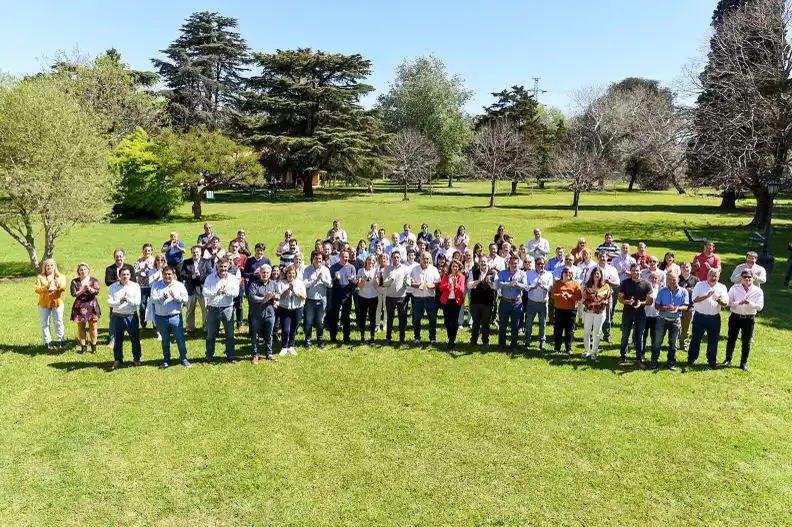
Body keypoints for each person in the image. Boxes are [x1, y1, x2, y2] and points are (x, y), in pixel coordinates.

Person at [150, 266, 191, 368]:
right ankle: (166, 359)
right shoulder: (156, 285)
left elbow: (186, 299)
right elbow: (153, 300)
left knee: (180, 339)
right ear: (162, 274)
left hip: (175, 317)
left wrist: (176, 297)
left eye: (169, 274)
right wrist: (163, 297)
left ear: (173, 275)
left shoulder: (179, 285)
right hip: (161, 317)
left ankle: (183, 358)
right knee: (165, 340)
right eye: (165, 274)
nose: (167, 276)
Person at [723, 271, 764, 371]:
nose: (747, 279)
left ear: (753, 278)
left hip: (749, 319)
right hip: (735, 316)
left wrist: (750, 303)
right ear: (741, 278)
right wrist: (739, 302)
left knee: (746, 341)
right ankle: (727, 360)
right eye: (745, 277)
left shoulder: (758, 291)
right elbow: (728, 302)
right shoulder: (734, 288)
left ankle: (743, 363)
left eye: (749, 277)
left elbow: (760, 307)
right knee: (731, 339)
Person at [688, 268, 728, 368]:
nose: (713, 278)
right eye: (711, 275)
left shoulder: (722, 287)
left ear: (718, 277)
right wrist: (706, 296)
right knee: (696, 339)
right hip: (700, 317)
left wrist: (719, 300)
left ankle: (712, 361)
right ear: (707, 276)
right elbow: (694, 299)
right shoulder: (700, 285)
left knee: (713, 340)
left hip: (714, 318)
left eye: (715, 276)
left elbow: (725, 303)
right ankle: (691, 359)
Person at [202, 259, 240, 364]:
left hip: (227, 308)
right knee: (211, 334)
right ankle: (209, 356)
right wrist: (216, 292)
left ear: (228, 267)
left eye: (225, 267)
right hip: (213, 308)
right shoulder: (210, 278)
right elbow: (205, 292)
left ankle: (231, 356)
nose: (223, 269)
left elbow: (236, 293)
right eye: (221, 266)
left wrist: (227, 292)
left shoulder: (233, 278)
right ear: (217, 267)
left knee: (230, 334)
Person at [651, 272, 689, 371]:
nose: (671, 281)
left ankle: (671, 362)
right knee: (657, 342)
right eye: (669, 279)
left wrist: (677, 308)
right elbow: (657, 306)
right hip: (662, 320)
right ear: (666, 280)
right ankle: (654, 360)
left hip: (676, 321)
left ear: (678, 279)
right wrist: (665, 308)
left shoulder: (684, 292)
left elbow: (686, 306)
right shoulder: (662, 291)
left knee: (673, 344)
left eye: (674, 279)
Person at [106, 267, 142, 369]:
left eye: (127, 274)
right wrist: (120, 302)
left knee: (135, 339)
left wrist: (128, 299)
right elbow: (109, 302)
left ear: (130, 275)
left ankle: (136, 358)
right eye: (123, 274)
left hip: (131, 316)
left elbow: (137, 302)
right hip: (117, 317)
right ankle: (118, 359)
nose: (125, 276)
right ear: (119, 276)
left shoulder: (135, 286)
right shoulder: (112, 287)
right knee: (117, 340)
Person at [618, 263, 653, 365]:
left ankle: (639, 358)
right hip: (627, 312)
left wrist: (640, 303)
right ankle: (623, 356)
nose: (635, 272)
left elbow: (650, 301)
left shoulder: (647, 284)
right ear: (630, 271)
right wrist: (626, 302)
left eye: (637, 270)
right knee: (625, 335)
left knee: (639, 336)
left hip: (640, 313)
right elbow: (620, 298)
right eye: (633, 270)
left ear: (640, 271)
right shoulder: (625, 283)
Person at [248, 264, 279, 363]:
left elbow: (278, 295)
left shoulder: (273, 284)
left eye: (267, 273)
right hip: (257, 314)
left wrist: (275, 298)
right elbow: (252, 297)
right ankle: (255, 354)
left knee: (269, 335)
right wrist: (264, 298)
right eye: (263, 272)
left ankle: (269, 353)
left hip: (270, 313)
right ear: (260, 273)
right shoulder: (254, 284)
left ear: (270, 274)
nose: (265, 274)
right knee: (255, 336)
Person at [104, 249, 136, 347]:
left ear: (124, 257)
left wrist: (121, 280)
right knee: (113, 318)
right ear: (114, 257)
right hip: (116, 296)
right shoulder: (110, 269)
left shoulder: (130, 267)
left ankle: (134, 338)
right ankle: (112, 339)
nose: (119, 258)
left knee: (132, 317)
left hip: (129, 295)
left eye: (120, 256)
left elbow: (134, 280)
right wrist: (120, 280)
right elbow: (108, 281)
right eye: (117, 256)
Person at [35, 258, 67, 351]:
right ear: (44, 267)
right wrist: (47, 286)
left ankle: (60, 341)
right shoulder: (40, 277)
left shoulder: (60, 276)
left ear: (55, 266)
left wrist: (58, 285)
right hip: (44, 303)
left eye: (52, 265)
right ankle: (47, 342)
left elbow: (63, 287)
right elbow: (37, 289)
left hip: (57, 302)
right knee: (45, 323)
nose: (50, 267)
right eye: (47, 265)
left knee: (59, 322)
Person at [496, 256, 527, 349]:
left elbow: (525, 286)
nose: (514, 265)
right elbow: (498, 284)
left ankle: (514, 345)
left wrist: (517, 284)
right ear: (508, 264)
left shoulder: (522, 274)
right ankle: (502, 344)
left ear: (518, 264)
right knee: (502, 325)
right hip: (505, 302)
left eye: (516, 263)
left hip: (517, 303)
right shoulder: (502, 273)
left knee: (515, 325)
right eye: (512, 263)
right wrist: (509, 284)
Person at [327, 249, 357, 344]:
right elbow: (330, 283)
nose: (345, 258)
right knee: (334, 317)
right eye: (343, 257)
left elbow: (355, 283)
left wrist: (352, 280)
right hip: (336, 295)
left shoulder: (351, 267)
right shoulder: (333, 268)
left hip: (347, 296)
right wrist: (336, 279)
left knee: (346, 317)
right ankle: (333, 337)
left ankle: (346, 337)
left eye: (346, 257)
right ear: (340, 257)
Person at [302, 252, 331, 349]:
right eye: (316, 258)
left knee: (320, 321)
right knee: (309, 322)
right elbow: (305, 284)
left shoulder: (326, 270)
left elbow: (330, 284)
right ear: (312, 259)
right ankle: (308, 341)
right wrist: (315, 280)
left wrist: (322, 280)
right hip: (310, 299)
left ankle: (320, 341)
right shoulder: (307, 270)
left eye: (320, 259)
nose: (318, 260)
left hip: (322, 299)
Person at [180, 246, 212, 335]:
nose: (195, 254)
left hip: (203, 289)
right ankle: (190, 328)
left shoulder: (206, 262)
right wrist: (192, 276)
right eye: (193, 252)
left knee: (205, 309)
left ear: (200, 253)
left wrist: (199, 276)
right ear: (191, 253)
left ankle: (206, 328)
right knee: (190, 309)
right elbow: (182, 275)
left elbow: (209, 274)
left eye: (197, 252)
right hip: (190, 289)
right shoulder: (186, 262)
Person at [410, 251, 440, 346]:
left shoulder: (434, 269)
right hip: (417, 298)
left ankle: (432, 338)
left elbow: (437, 282)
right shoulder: (415, 269)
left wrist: (432, 286)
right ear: (420, 259)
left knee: (432, 319)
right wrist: (415, 285)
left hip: (430, 298)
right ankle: (417, 337)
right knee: (416, 319)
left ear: (430, 259)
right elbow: (410, 281)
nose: (425, 260)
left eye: (427, 259)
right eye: (424, 259)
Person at [581, 267, 611, 361]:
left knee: (597, 333)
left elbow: (608, 298)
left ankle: (594, 352)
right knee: (586, 332)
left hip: (600, 312)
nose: (597, 275)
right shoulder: (587, 285)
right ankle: (586, 350)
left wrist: (604, 302)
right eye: (595, 273)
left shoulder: (605, 286)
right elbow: (584, 299)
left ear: (601, 275)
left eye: (598, 273)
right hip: (588, 312)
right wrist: (592, 304)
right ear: (592, 275)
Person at [524, 257, 554, 351]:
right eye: (538, 264)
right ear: (535, 264)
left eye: (542, 264)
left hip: (543, 303)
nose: (540, 265)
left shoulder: (548, 274)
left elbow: (550, 288)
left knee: (542, 324)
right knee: (529, 323)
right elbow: (526, 287)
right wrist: (534, 286)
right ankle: (527, 342)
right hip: (531, 303)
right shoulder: (529, 274)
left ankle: (542, 343)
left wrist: (543, 286)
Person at [70, 263, 101, 354]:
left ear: (88, 270)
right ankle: (83, 347)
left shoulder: (94, 280)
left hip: (92, 305)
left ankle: (94, 346)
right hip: (80, 305)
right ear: (78, 271)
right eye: (81, 270)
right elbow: (73, 294)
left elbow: (96, 291)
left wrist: (89, 288)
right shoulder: (75, 281)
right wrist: (83, 290)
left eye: (85, 269)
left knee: (93, 326)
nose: (83, 271)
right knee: (81, 326)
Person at [551, 268, 583, 354]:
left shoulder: (576, 284)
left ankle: (568, 348)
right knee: (558, 330)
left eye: (570, 273)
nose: (568, 274)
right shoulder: (557, 283)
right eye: (566, 272)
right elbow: (553, 295)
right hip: (559, 310)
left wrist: (570, 296)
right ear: (562, 273)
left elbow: (579, 297)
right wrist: (560, 295)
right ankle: (557, 348)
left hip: (571, 311)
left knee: (569, 330)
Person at [382, 251, 410, 345]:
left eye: (398, 257)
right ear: (391, 258)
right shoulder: (387, 269)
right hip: (390, 297)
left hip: (402, 297)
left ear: (400, 258)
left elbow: (408, 282)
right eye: (394, 257)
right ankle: (388, 338)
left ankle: (402, 339)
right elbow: (384, 283)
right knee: (390, 319)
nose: (396, 259)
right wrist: (391, 280)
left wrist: (407, 282)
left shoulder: (405, 268)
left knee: (402, 319)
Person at [277, 265, 306, 356]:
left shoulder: (300, 283)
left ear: (295, 274)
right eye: (289, 273)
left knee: (294, 329)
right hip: (284, 309)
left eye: (293, 273)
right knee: (285, 330)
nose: (291, 275)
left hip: (297, 308)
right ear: (286, 274)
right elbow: (280, 296)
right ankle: (284, 347)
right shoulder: (281, 283)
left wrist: (294, 291)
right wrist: (288, 289)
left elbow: (304, 297)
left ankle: (291, 346)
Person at [438, 259, 466, 349]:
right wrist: (448, 284)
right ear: (450, 267)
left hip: (456, 301)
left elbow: (462, 290)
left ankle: (452, 340)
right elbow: (441, 288)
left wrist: (455, 283)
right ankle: (450, 337)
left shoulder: (461, 277)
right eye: (453, 266)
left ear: (459, 268)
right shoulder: (446, 275)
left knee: (454, 322)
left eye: (456, 267)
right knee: (447, 321)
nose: (454, 268)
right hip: (446, 301)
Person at [468, 258, 496, 347]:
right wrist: (478, 281)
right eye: (481, 261)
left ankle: (485, 341)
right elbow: (469, 285)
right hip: (475, 302)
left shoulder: (493, 273)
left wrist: (490, 283)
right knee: (475, 323)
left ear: (488, 263)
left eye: (485, 261)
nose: (483, 263)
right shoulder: (473, 272)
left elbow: (496, 287)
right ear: (479, 263)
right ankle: (473, 340)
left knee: (486, 323)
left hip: (487, 302)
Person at [356, 255, 380, 344]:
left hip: (373, 297)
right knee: (362, 317)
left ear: (374, 262)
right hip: (362, 297)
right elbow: (359, 286)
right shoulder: (361, 271)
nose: (371, 261)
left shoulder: (376, 270)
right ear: (366, 261)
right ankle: (362, 337)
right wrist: (363, 279)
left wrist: (376, 278)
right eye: (369, 259)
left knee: (372, 317)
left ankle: (372, 337)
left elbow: (377, 286)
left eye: (373, 260)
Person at [677, 262, 699, 352]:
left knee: (686, 327)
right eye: (683, 267)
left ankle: (684, 344)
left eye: (687, 267)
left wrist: (692, 290)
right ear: (680, 269)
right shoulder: (677, 279)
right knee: (676, 326)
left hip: (689, 307)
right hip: (677, 306)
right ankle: (674, 343)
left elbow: (699, 292)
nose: (685, 269)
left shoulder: (696, 280)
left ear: (690, 268)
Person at [228, 240, 248, 331]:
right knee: (229, 305)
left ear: (239, 247)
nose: (234, 248)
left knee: (239, 304)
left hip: (240, 284)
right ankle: (229, 324)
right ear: (230, 247)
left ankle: (240, 324)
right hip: (228, 285)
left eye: (236, 246)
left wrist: (240, 268)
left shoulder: (243, 257)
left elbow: (246, 271)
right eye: (233, 246)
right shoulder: (226, 256)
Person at [134, 244, 155, 328]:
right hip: (142, 287)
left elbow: (159, 270)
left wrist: (150, 268)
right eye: (145, 250)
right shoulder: (139, 261)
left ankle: (155, 324)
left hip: (153, 286)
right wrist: (141, 269)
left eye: (149, 250)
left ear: (151, 251)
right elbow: (134, 272)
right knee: (142, 306)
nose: (147, 252)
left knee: (154, 305)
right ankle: (143, 324)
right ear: (143, 251)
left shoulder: (155, 260)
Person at [642, 271, 662, 359]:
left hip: (656, 316)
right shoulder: (645, 288)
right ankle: (642, 354)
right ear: (649, 279)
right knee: (643, 336)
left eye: (655, 278)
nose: (654, 280)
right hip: (645, 315)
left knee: (654, 337)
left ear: (658, 280)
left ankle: (654, 357)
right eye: (652, 278)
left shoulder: (660, 290)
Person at [374, 252, 390, 332]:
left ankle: (385, 325)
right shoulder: (376, 269)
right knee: (378, 307)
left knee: (386, 308)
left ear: (387, 260)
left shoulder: (389, 269)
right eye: (381, 258)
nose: (383, 260)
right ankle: (377, 325)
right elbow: (375, 280)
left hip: (387, 290)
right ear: (379, 260)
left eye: (384, 258)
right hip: (378, 289)